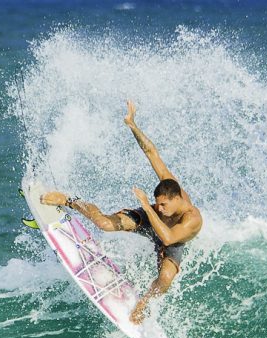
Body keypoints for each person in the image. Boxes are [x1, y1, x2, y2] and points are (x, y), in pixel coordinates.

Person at [40, 100, 203, 324]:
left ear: (178, 199)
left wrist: (147, 206)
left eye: (164, 205)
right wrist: (132, 124)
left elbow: (167, 237)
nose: (161, 208)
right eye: (158, 204)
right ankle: (70, 200)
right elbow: (151, 152)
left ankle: (143, 305)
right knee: (104, 224)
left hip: (171, 240)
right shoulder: (166, 190)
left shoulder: (191, 219)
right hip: (149, 221)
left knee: (165, 278)